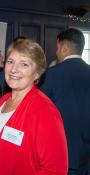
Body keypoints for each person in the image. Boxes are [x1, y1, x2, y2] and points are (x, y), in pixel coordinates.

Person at [0, 39, 68, 175]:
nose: (14, 69)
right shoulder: (4, 100)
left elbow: (55, 170)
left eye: (24, 64)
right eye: (10, 61)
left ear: (37, 74)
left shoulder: (45, 111)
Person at [39, 28, 90, 175]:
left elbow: (39, 111)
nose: (56, 52)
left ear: (64, 47)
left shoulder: (50, 75)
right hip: (86, 156)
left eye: (57, 48)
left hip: (59, 154)